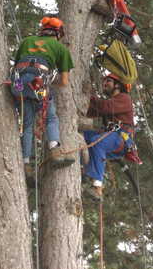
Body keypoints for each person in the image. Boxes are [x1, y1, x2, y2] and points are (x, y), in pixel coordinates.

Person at [11, 16, 75, 179]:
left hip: (17, 85)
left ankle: (26, 165)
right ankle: (55, 151)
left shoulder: (27, 41)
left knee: (27, 124)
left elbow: (17, 63)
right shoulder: (60, 49)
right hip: (38, 84)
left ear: (42, 30)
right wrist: (49, 82)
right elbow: (64, 82)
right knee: (51, 118)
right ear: (58, 34)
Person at [83, 73, 141, 201]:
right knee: (82, 137)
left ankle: (97, 186)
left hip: (121, 139)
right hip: (111, 137)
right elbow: (92, 111)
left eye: (108, 81)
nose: (104, 84)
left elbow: (105, 107)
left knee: (97, 142)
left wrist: (90, 95)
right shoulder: (110, 102)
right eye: (104, 81)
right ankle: (84, 173)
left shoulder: (124, 98)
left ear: (118, 85)